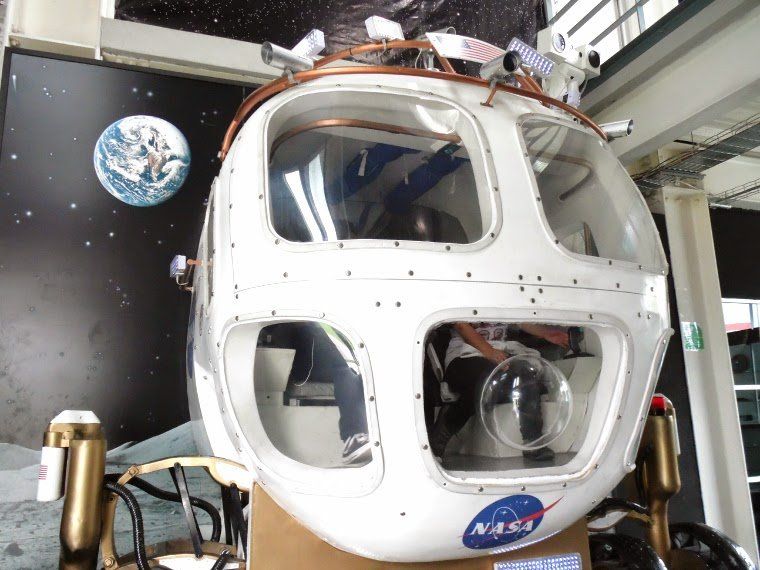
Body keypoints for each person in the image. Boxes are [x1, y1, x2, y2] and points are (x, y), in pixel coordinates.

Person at [429, 322, 569, 462]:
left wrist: (546, 333)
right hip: (464, 355)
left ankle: (533, 442)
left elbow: (520, 321)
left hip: (500, 353)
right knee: (483, 381)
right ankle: (438, 442)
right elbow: (461, 326)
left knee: (525, 374)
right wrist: (489, 351)